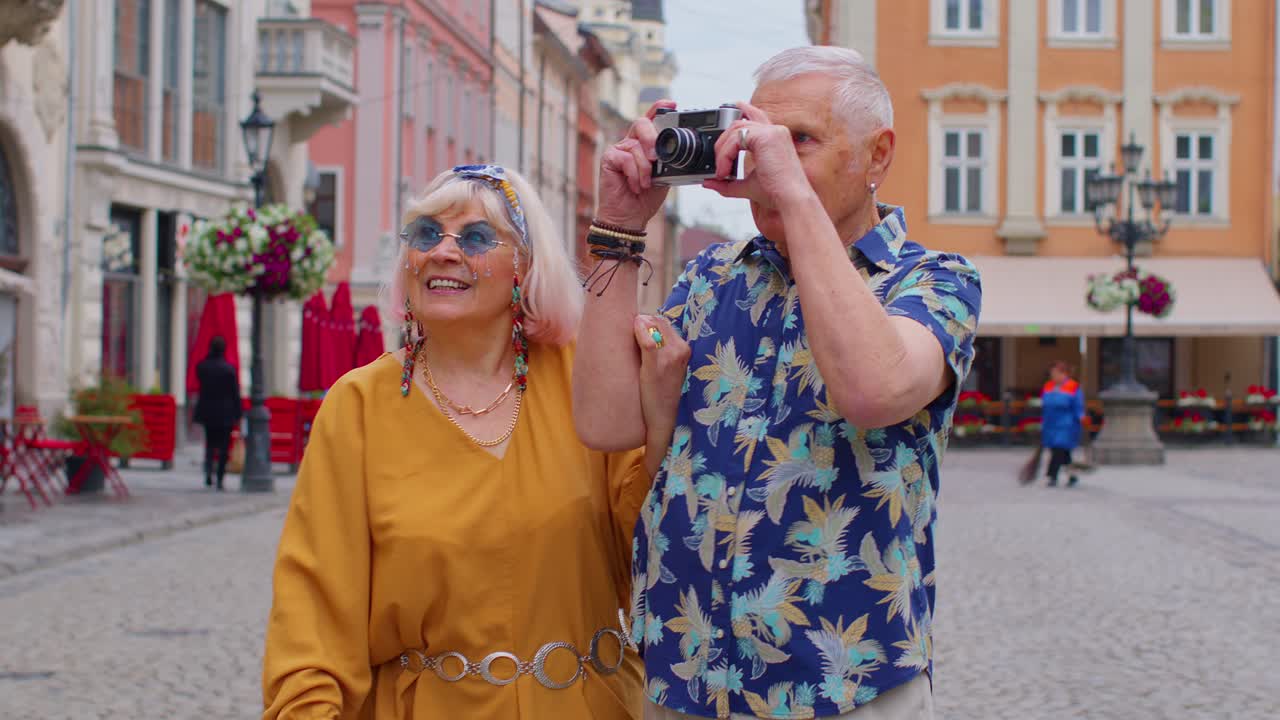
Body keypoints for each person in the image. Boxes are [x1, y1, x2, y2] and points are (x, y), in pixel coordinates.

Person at [573, 46, 983, 719]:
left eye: (801, 141)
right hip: (688, 680)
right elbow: (603, 421)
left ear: (878, 156)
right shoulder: (711, 279)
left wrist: (792, 192)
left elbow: (873, 390)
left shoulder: (934, 281)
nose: (769, 161)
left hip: (845, 691)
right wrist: (618, 226)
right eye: (762, 136)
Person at [261, 164, 691, 720]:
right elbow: (312, 609)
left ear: (525, 264)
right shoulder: (359, 405)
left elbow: (654, 543)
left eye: (476, 238)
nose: (443, 251)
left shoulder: (584, 381)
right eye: (425, 235)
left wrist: (660, 421)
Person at [193, 335, 242, 490]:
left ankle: (208, 472)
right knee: (223, 447)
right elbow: (235, 393)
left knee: (209, 443)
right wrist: (239, 414)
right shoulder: (229, 369)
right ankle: (220, 478)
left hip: (208, 410)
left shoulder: (203, 367)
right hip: (225, 413)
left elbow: (199, 377)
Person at [1041, 360, 1085, 487]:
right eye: (1052, 374)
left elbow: (1078, 406)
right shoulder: (1048, 386)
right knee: (1064, 453)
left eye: (1056, 373)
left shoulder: (1073, 387)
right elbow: (1045, 406)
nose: (1053, 376)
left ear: (1064, 374)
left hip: (1067, 425)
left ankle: (1052, 476)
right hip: (1051, 424)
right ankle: (1072, 476)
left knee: (1058, 450)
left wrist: (1081, 417)